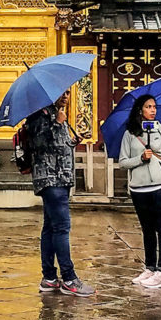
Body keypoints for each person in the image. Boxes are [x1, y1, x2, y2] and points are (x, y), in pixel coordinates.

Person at [26, 90, 94, 296]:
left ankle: (49, 278)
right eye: (61, 93)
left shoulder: (56, 114)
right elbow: (38, 145)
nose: (65, 96)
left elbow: (55, 147)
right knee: (62, 228)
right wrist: (56, 123)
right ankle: (69, 278)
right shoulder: (40, 116)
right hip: (51, 179)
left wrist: (71, 142)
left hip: (60, 179)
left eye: (67, 92)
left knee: (50, 228)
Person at [117, 94, 161, 289]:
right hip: (138, 187)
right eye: (148, 107)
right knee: (146, 228)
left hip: (160, 185)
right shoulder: (129, 134)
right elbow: (122, 162)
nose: (153, 110)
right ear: (140, 110)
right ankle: (150, 267)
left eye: (154, 106)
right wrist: (140, 158)